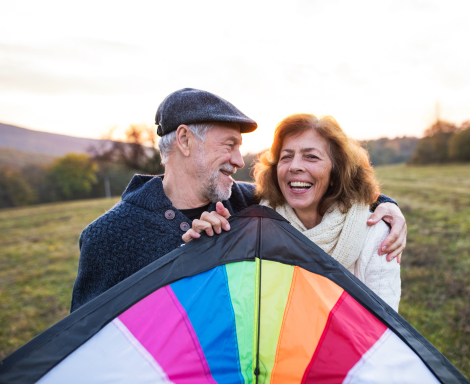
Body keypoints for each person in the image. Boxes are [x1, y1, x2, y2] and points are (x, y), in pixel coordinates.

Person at [71, 89, 406, 312]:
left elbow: (319, 193)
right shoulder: (110, 236)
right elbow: (88, 344)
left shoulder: (247, 203)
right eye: (229, 144)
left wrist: (385, 207)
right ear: (185, 140)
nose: (237, 159)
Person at [183, 114, 401, 310]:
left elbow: (385, 335)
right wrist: (203, 250)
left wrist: (391, 205)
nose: (294, 166)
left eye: (311, 157)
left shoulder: (377, 236)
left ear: (336, 171)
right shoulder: (255, 230)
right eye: (286, 157)